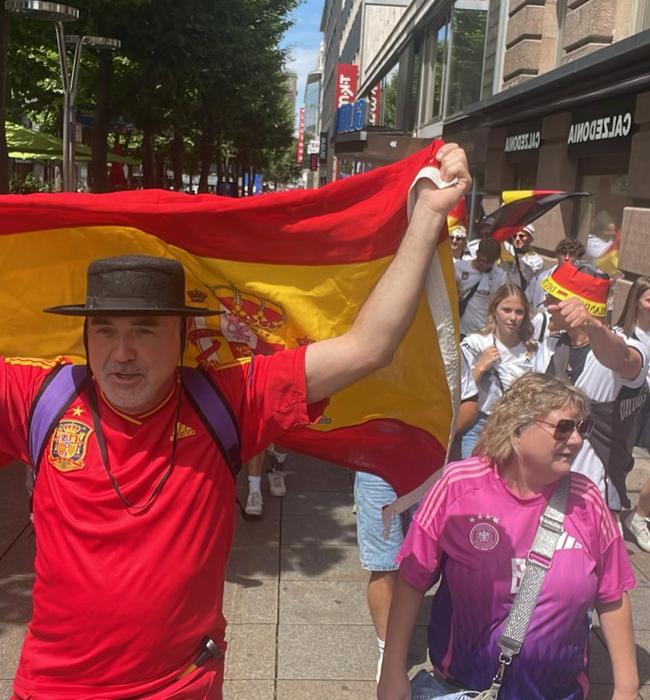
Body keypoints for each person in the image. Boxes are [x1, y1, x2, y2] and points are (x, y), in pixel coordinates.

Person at [0, 143, 472, 700]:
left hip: (184, 688)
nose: (121, 352)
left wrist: (426, 217)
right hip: (55, 690)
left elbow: (369, 346)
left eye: (144, 330)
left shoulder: (227, 400)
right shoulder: (41, 399)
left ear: (180, 337)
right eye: (105, 330)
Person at [378, 373, 639, 700]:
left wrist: (626, 689)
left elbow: (612, 594)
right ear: (518, 429)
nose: (576, 440)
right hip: (465, 688)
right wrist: (392, 667)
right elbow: (412, 578)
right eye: (563, 427)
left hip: (560, 693)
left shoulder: (588, 499)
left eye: (582, 428)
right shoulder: (459, 486)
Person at [534, 260, 648, 514]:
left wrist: (592, 326)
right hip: (543, 486)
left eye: (553, 298)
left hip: (591, 496)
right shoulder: (552, 344)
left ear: (575, 305)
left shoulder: (626, 345)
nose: (546, 305)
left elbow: (623, 360)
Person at [460, 284, 537, 458]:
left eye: (519, 312)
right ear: (494, 310)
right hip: (479, 426)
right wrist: (480, 366)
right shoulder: (474, 343)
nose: (512, 318)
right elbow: (459, 391)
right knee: (473, 478)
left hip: (515, 428)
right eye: (506, 310)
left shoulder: (533, 351)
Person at [616, 277, 650, 551]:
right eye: (649, 299)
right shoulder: (623, 334)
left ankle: (639, 516)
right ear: (637, 301)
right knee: (620, 459)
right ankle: (613, 510)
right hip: (629, 400)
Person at [528, 238, 586, 339]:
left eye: (571, 255)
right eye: (563, 253)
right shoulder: (541, 278)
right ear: (557, 255)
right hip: (540, 331)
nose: (567, 258)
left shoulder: (583, 283)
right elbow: (525, 301)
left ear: (579, 259)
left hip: (567, 334)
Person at [454, 237, 507, 337]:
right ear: (477, 253)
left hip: (482, 333)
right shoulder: (459, 267)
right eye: (482, 260)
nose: (484, 265)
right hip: (459, 328)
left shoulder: (500, 276)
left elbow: (501, 303)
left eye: (489, 263)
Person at [500, 224, 543, 294]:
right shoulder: (507, 251)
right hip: (508, 294)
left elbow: (539, 284)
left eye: (521, 236)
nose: (517, 239)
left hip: (525, 298)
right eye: (514, 236)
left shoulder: (537, 260)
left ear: (530, 238)